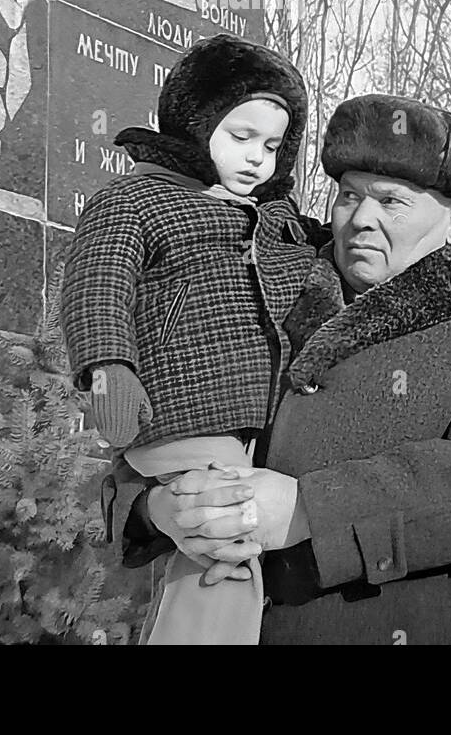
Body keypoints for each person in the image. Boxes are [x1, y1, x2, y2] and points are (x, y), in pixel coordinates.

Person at [108, 93, 451, 644]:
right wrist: (162, 508)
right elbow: (163, 422)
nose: (361, 219)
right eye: (348, 196)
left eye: (391, 201)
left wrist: (305, 510)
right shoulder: (255, 291)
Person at [59, 34, 326, 644]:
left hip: (265, 421)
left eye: (272, 144)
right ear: (196, 122)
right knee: (223, 541)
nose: (258, 157)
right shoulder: (136, 201)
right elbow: (97, 283)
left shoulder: (281, 220)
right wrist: (108, 368)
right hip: (181, 407)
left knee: (233, 537)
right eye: (241, 136)